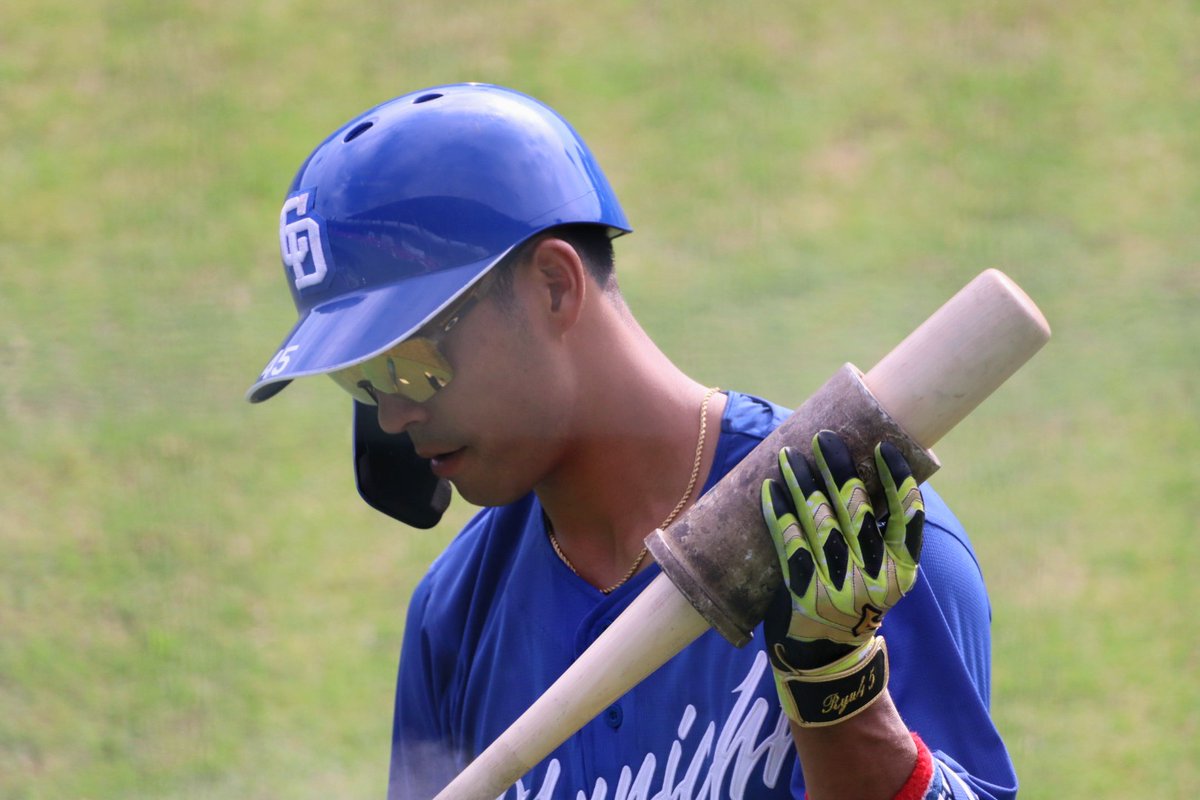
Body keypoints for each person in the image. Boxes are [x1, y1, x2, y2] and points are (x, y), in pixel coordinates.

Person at [247, 83, 1018, 799]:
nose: (390, 416)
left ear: (554, 286)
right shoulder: (453, 616)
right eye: (361, 380)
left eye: (409, 363)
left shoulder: (854, 547)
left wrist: (838, 688)